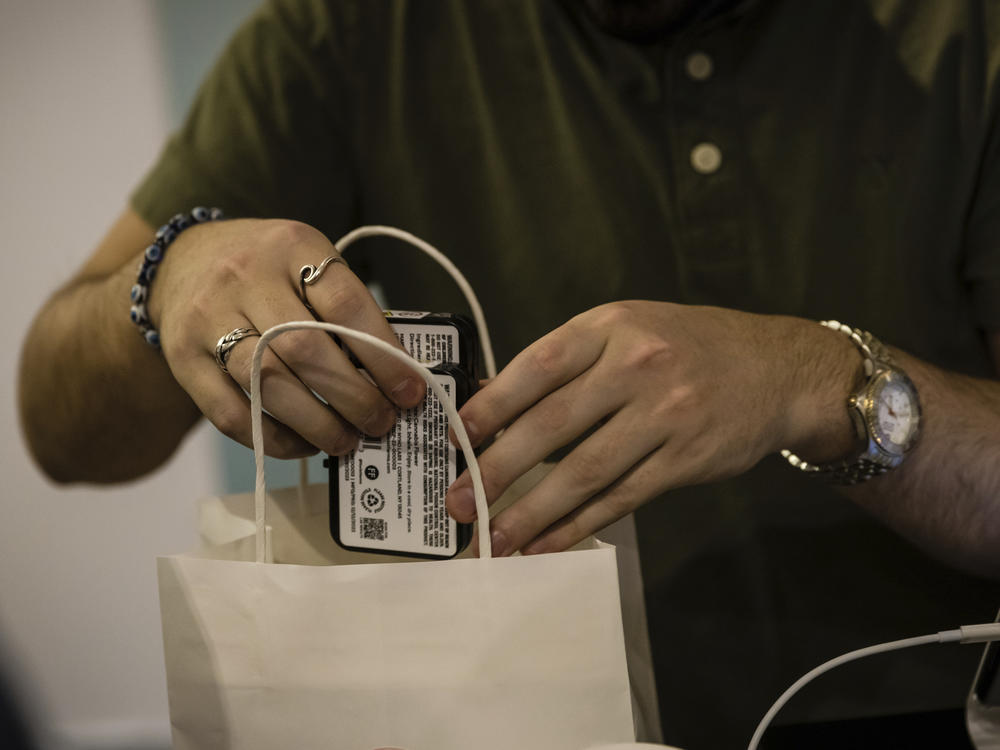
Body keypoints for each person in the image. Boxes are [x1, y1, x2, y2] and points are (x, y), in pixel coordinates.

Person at [17, 0, 1000, 746]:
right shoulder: (352, 33)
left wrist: (822, 384)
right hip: (501, 720)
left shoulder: (962, 36)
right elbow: (59, 431)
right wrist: (164, 282)